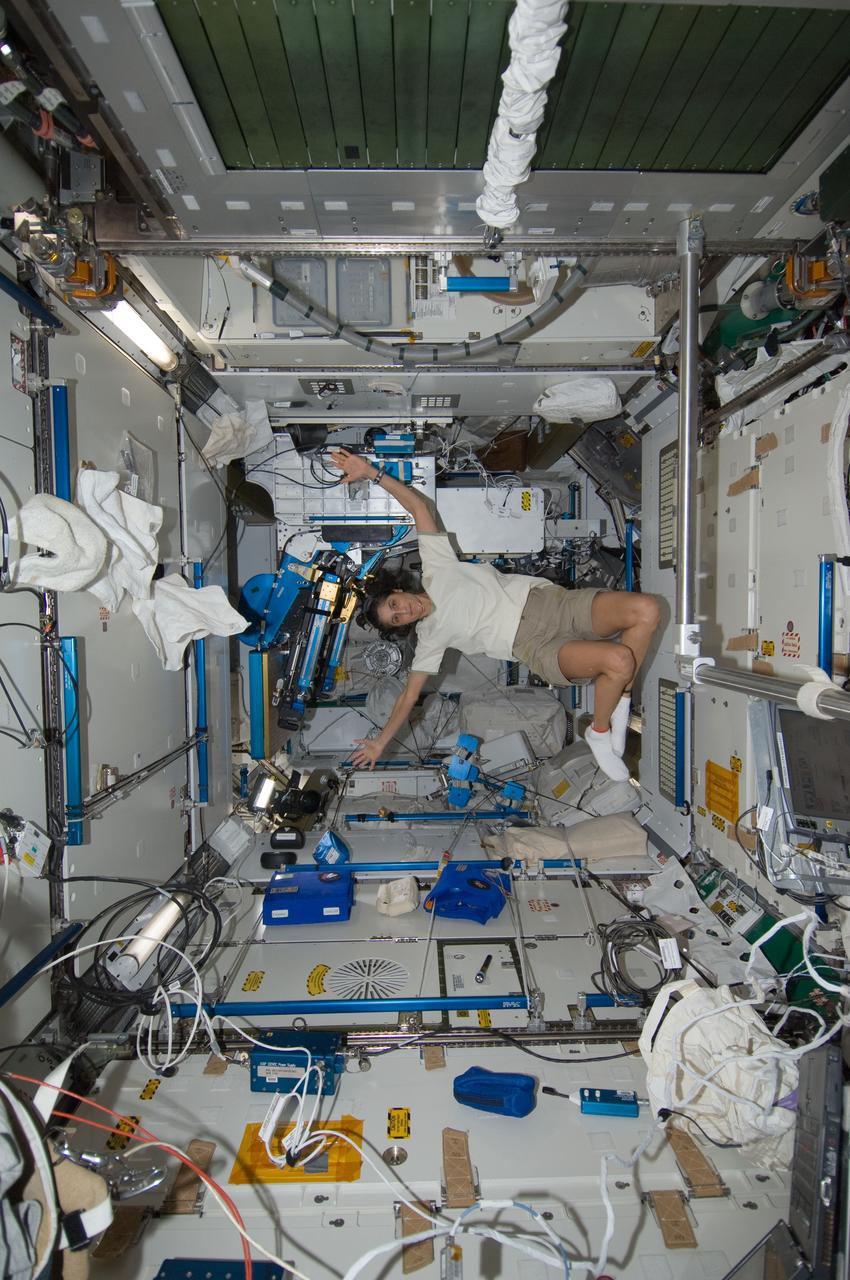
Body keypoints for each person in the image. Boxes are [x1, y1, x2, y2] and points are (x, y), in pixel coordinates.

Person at [330, 448, 659, 781]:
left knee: (646, 609)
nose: (404, 611)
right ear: (403, 627)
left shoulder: (436, 567)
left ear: (397, 590)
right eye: (397, 619)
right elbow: (407, 697)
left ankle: (622, 700)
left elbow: (420, 507)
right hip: (535, 645)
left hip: (554, 604)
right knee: (618, 661)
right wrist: (380, 743)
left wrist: (371, 472)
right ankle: (600, 731)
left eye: (394, 604)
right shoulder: (430, 638)